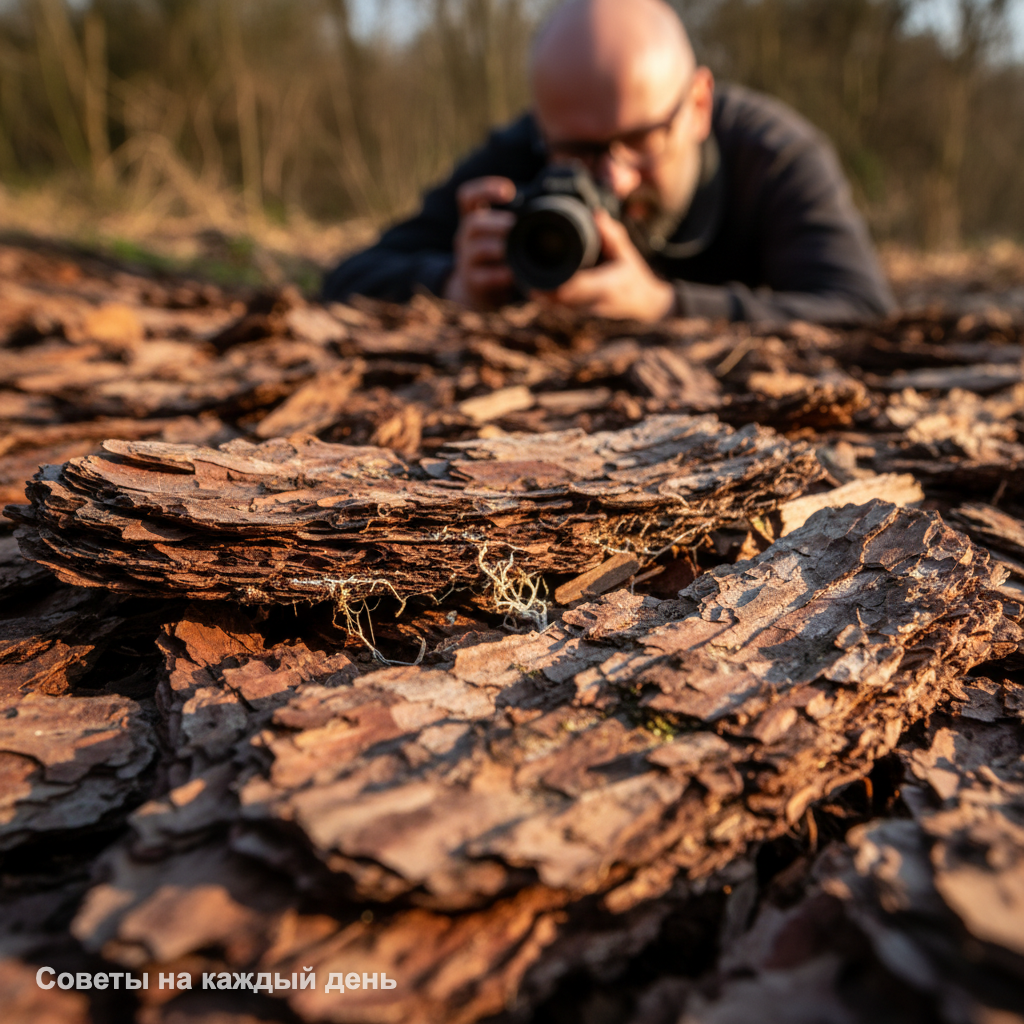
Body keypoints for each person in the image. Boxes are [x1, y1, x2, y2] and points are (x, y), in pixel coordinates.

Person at [323, 0, 895, 324]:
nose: (615, 179)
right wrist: (451, 282)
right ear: (544, 126)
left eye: (640, 141)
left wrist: (668, 306)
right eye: (579, 152)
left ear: (697, 106)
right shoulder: (524, 150)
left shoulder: (773, 157)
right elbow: (346, 278)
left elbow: (862, 308)